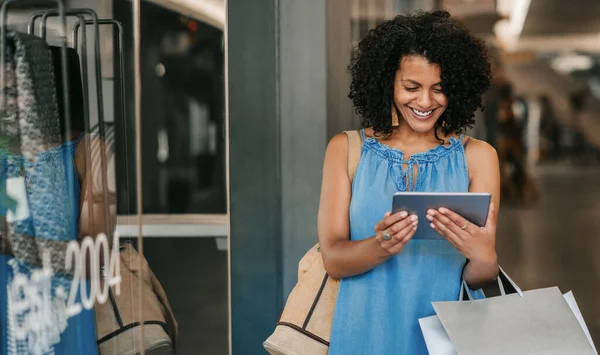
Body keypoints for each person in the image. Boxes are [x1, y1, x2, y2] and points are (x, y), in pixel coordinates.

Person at [317, 10, 500, 354]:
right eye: (411, 87)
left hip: (446, 338)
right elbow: (334, 260)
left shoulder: (479, 157)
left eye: (439, 89)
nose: (425, 102)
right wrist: (381, 244)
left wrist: (484, 255)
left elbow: (480, 277)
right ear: (388, 82)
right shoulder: (346, 150)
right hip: (363, 333)